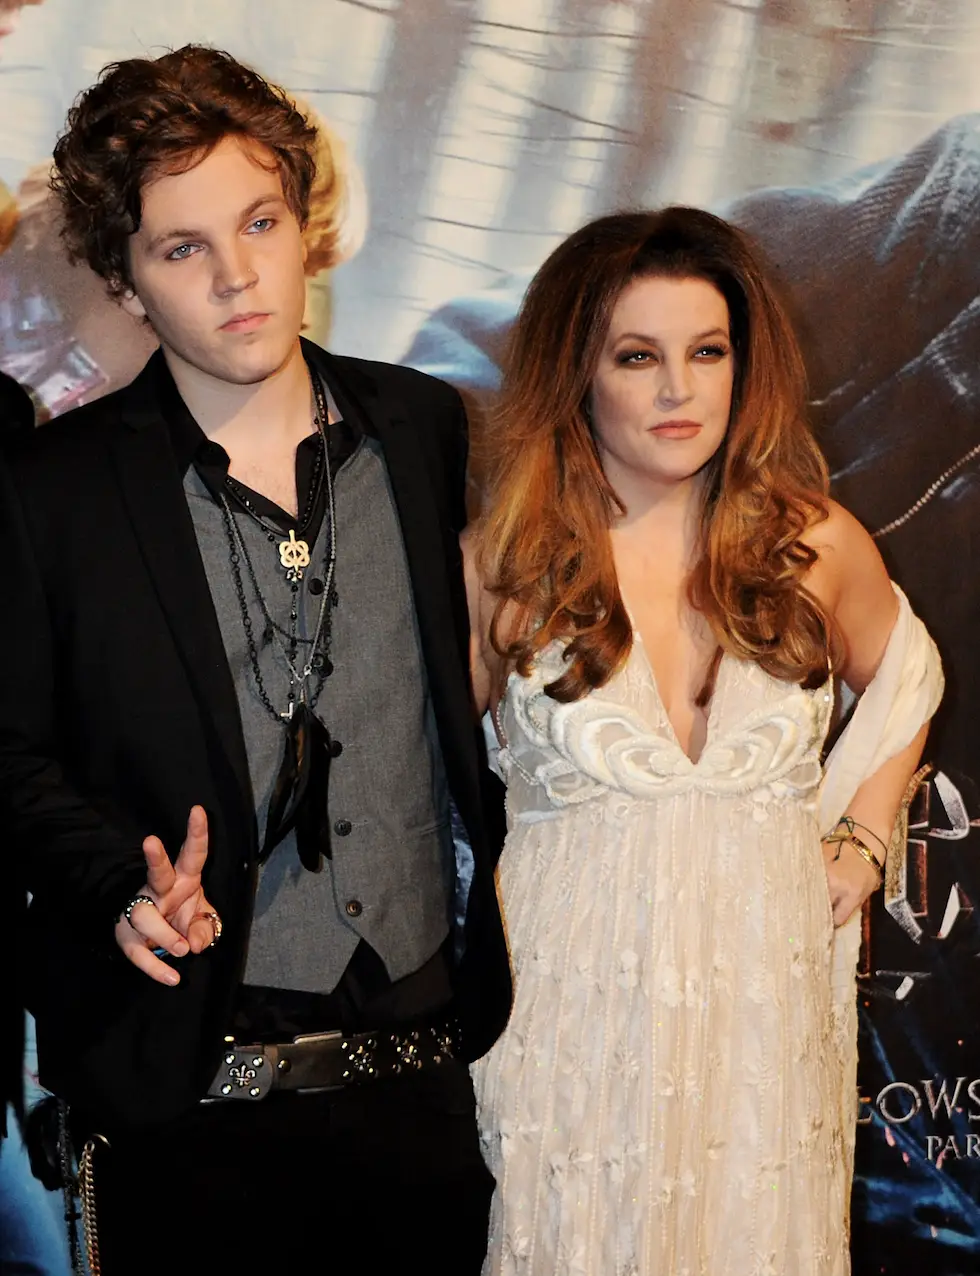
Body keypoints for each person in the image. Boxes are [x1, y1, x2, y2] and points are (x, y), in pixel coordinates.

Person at [0, 45, 509, 1275]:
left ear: (304, 224)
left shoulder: (425, 429)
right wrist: (117, 884)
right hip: (188, 1111)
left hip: (421, 1093)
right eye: (183, 248)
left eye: (260, 222)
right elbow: (6, 752)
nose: (237, 276)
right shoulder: (50, 494)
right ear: (125, 281)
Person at [462, 207, 944, 1275]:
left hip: (761, 1010)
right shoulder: (502, 567)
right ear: (576, 374)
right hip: (568, 1016)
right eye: (637, 356)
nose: (679, 389)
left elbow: (908, 674)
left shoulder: (813, 547)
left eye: (708, 352)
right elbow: (404, 778)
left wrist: (864, 838)